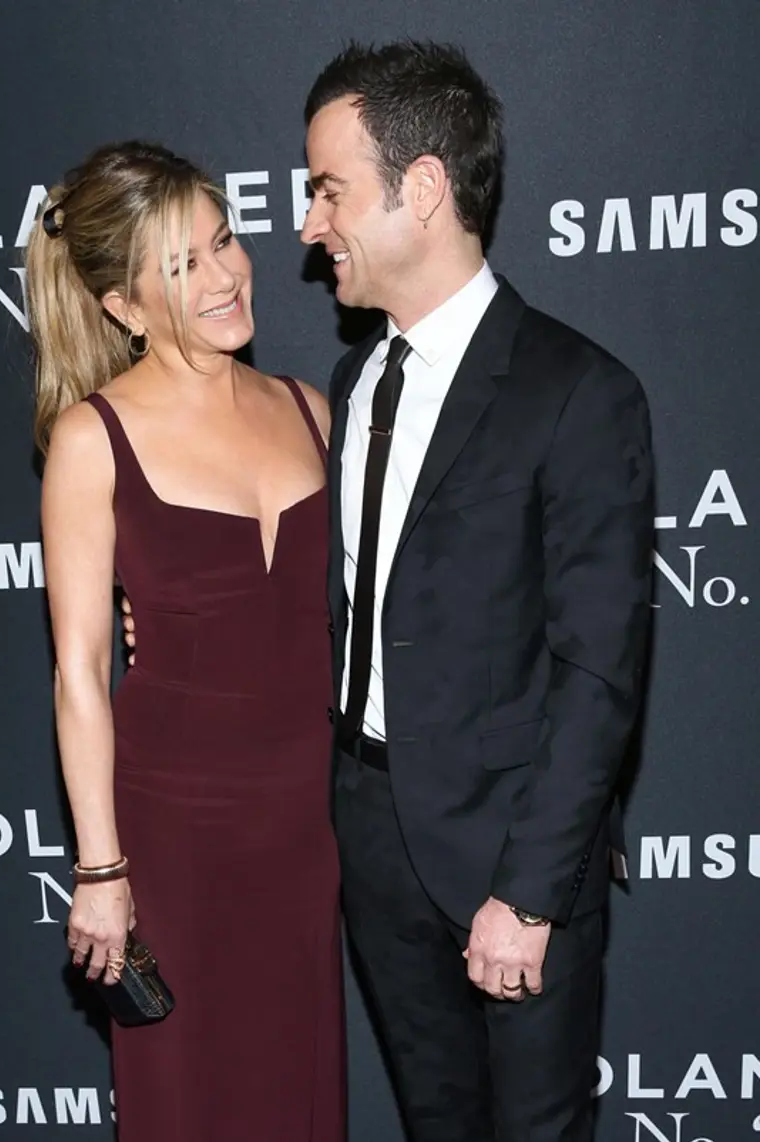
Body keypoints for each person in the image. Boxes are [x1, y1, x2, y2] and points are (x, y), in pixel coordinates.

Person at [299, 41, 655, 1142]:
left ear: (421, 188)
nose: (308, 224)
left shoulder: (577, 391)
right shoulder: (357, 380)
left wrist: (531, 892)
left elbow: (598, 671)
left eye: (328, 190)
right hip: (370, 830)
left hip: (512, 849)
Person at [26, 140, 344, 1142]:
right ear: (124, 307)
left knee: (297, 1086)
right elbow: (81, 673)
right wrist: (101, 870)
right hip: (175, 831)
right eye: (182, 265)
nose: (224, 276)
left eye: (224, 241)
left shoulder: (311, 409)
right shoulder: (93, 439)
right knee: (193, 1097)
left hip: (309, 825)